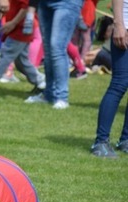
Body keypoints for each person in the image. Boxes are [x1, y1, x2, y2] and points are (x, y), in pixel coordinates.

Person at [24, 0, 84, 109]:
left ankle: (62, 98)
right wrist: (31, 10)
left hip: (67, 3)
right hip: (44, 2)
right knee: (48, 50)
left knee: (57, 48)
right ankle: (49, 95)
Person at [90, 0, 128, 158]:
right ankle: (100, 142)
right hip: (125, 28)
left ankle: (125, 139)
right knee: (119, 84)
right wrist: (119, 25)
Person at [0, 0, 46, 93]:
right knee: (21, 62)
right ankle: (41, 82)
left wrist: (13, 23)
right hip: (19, 27)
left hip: (21, 28)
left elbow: (26, 7)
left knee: (4, 55)